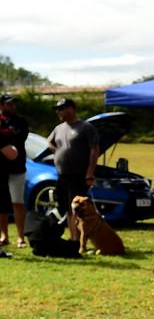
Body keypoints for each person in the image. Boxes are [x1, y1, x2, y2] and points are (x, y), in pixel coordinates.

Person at [46, 98, 99, 237]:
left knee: (75, 208)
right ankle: (73, 235)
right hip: (62, 175)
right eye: (58, 109)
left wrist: (90, 173)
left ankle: (77, 238)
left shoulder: (85, 127)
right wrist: (58, 151)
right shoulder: (58, 128)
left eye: (62, 109)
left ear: (71, 109)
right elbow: (49, 142)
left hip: (79, 175)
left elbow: (94, 150)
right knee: (65, 207)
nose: (59, 112)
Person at [0, 94, 30, 247]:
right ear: (2, 105)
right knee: (1, 204)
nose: (12, 106)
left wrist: (5, 145)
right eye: (8, 104)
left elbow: (18, 139)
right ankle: (4, 236)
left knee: (17, 202)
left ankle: (21, 237)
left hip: (17, 168)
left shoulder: (21, 121)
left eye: (13, 104)